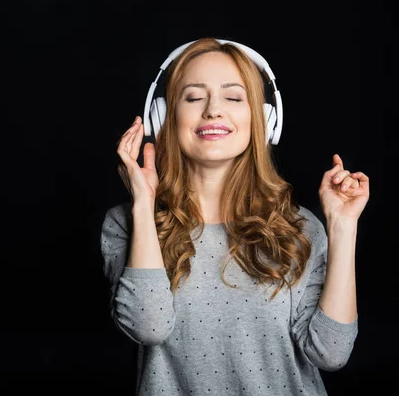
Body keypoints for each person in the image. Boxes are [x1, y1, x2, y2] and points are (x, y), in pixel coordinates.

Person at [99, 37, 370, 395]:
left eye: (233, 97)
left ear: (263, 119)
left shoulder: (300, 228)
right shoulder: (128, 223)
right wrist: (144, 203)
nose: (213, 110)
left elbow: (330, 353)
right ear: (163, 117)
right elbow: (149, 326)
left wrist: (343, 226)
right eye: (194, 97)